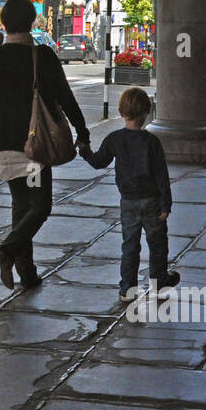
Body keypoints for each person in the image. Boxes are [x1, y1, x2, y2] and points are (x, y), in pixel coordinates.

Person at [0, 0, 89, 290]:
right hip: (33, 145)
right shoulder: (43, 56)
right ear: (32, 22)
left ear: (3, 23)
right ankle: (7, 250)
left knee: (21, 205)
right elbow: (65, 97)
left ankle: (27, 273)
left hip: (4, 143)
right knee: (40, 206)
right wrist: (82, 130)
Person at [79, 87, 177, 302]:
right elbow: (162, 175)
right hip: (151, 201)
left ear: (122, 113)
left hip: (128, 202)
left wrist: (84, 149)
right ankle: (159, 283)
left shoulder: (115, 139)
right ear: (146, 113)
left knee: (130, 246)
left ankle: (127, 289)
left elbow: (98, 162)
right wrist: (165, 204)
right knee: (158, 244)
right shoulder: (152, 142)